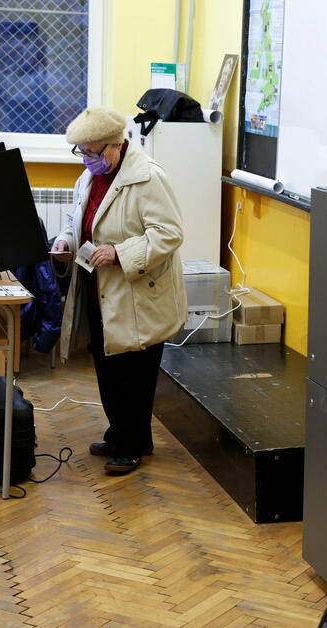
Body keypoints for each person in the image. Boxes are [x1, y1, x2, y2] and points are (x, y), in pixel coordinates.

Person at [52, 107, 187, 475]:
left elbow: (169, 234)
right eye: (81, 151)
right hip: (102, 289)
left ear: (116, 145)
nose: (87, 159)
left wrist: (119, 252)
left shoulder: (148, 178)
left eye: (93, 152)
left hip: (138, 292)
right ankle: (121, 435)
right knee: (108, 366)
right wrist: (66, 241)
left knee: (134, 373)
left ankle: (131, 445)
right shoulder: (90, 176)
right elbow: (75, 220)